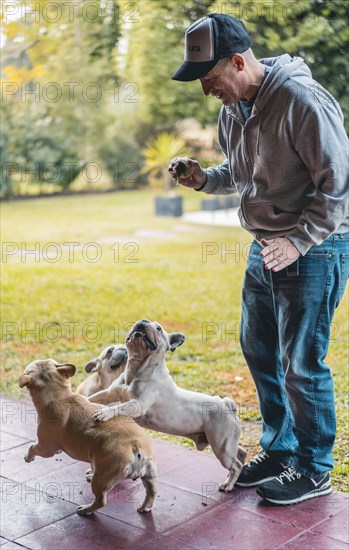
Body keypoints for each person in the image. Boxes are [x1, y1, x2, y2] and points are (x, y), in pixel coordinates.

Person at [169, 13, 349, 505]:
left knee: (301, 365)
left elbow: (339, 184)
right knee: (260, 351)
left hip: (315, 247)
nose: (207, 91)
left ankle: (314, 469)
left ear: (238, 61)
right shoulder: (235, 107)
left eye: (210, 79)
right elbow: (242, 171)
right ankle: (281, 450)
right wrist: (204, 178)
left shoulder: (301, 101)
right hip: (265, 246)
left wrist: (300, 238)